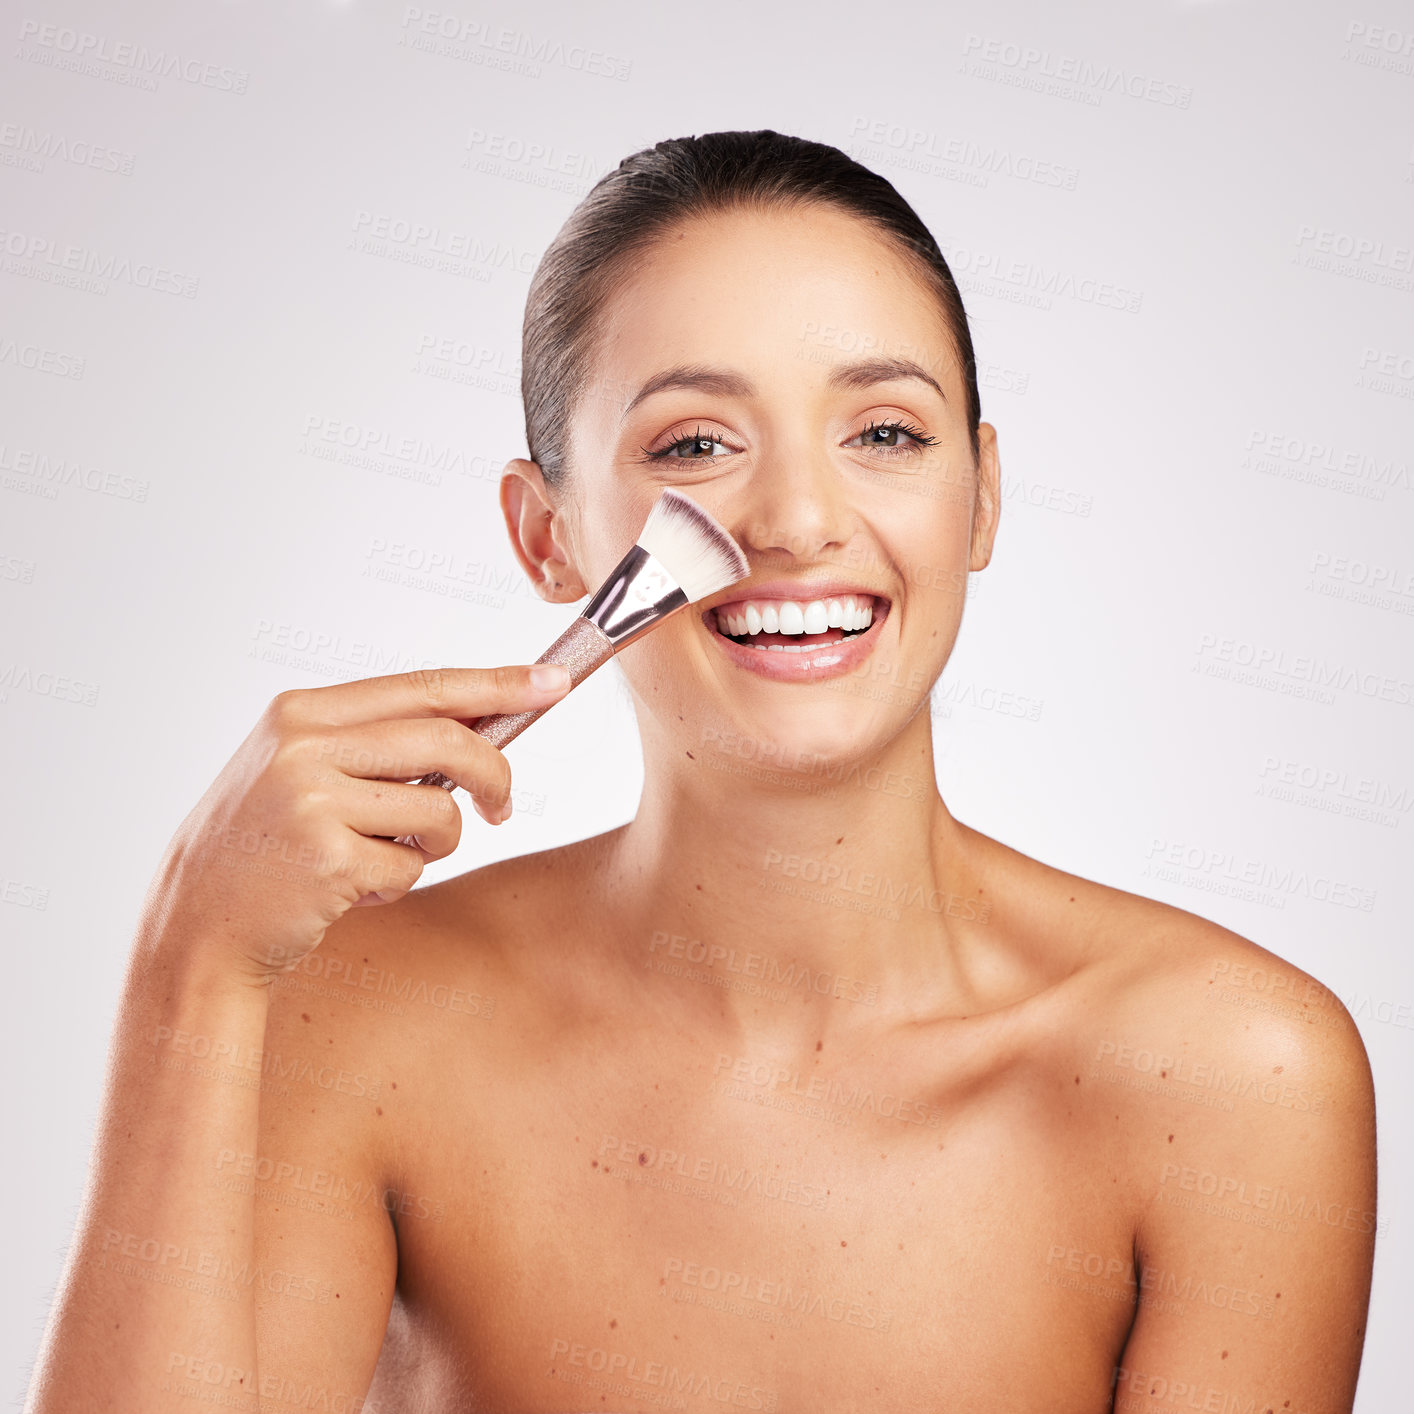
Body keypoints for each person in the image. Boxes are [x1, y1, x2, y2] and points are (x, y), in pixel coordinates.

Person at [27, 130, 1375, 1414]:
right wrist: (190, 959)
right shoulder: (357, 1026)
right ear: (546, 534)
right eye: (692, 445)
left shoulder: (1230, 1077)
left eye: (887, 432)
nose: (793, 520)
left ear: (983, 494)